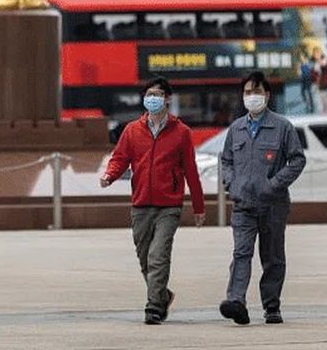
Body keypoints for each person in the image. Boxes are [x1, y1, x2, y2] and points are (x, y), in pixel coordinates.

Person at [99, 77, 206, 325]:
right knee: (145, 258)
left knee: (158, 256)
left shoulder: (181, 133)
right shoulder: (132, 130)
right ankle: (163, 294)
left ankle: (154, 307)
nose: (153, 99)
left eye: (158, 94)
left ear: (168, 98)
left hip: (169, 206)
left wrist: (198, 207)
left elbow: (191, 172)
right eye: (149, 94)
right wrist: (109, 176)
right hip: (140, 205)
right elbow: (120, 158)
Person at [219, 71, 306, 326]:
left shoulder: (282, 127)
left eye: (257, 92)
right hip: (243, 205)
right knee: (241, 253)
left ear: (267, 95)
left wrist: (274, 184)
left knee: (273, 257)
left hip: (273, 205)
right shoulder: (236, 129)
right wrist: (231, 183)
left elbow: (297, 159)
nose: (252, 97)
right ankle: (236, 302)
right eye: (248, 92)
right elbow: (226, 161)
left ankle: (271, 306)